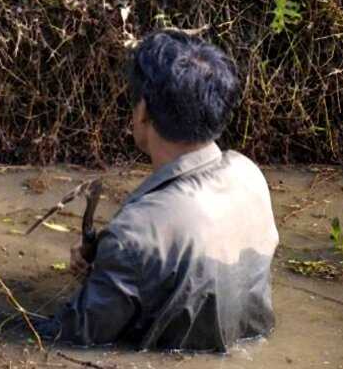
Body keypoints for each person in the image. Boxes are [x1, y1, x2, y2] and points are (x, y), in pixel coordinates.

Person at [34, 30, 279, 352]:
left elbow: (72, 338)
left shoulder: (135, 235)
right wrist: (106, 265)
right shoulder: (248, 173)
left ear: (143, 111)